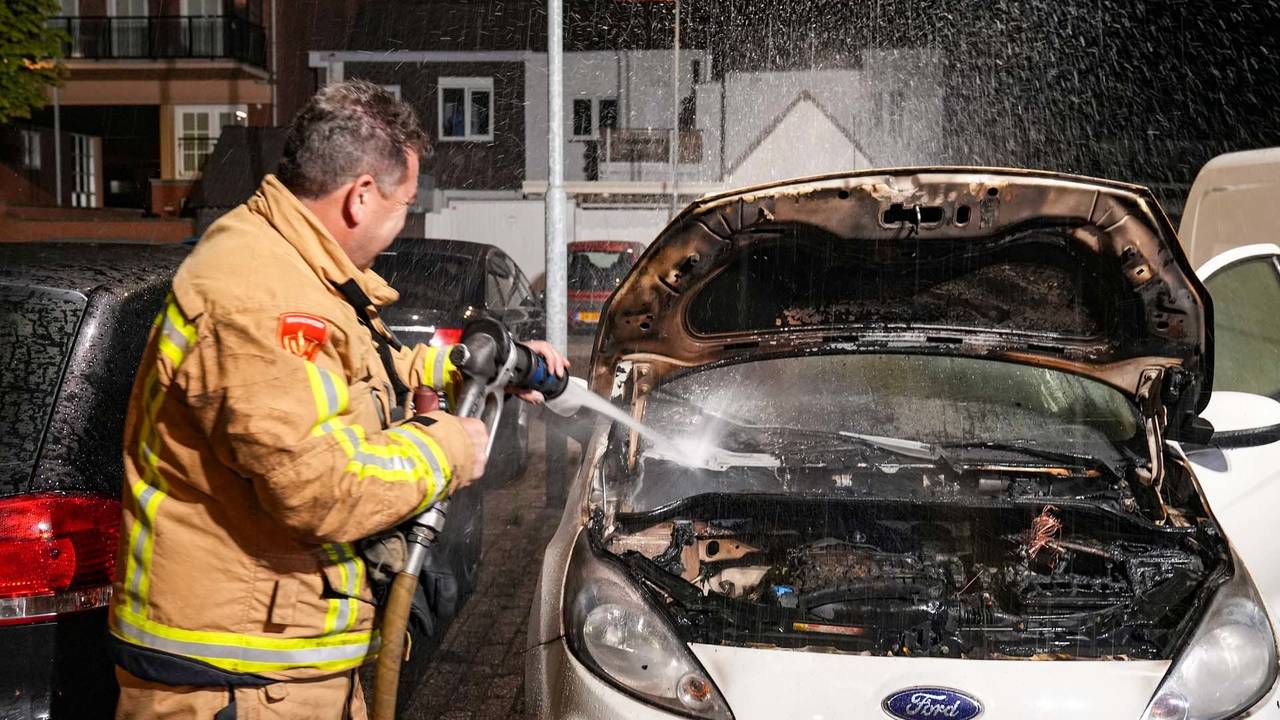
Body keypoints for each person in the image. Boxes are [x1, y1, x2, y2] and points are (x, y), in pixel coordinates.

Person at [109, 80, 566, 719]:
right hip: (237, 681)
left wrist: (468, 369)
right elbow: (320, 487)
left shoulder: (296, 269)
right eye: (405, 202)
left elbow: (354, 377)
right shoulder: (262, 293)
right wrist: (446, 448)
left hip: (273, 668)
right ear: (360, 197)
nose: (405, 218)